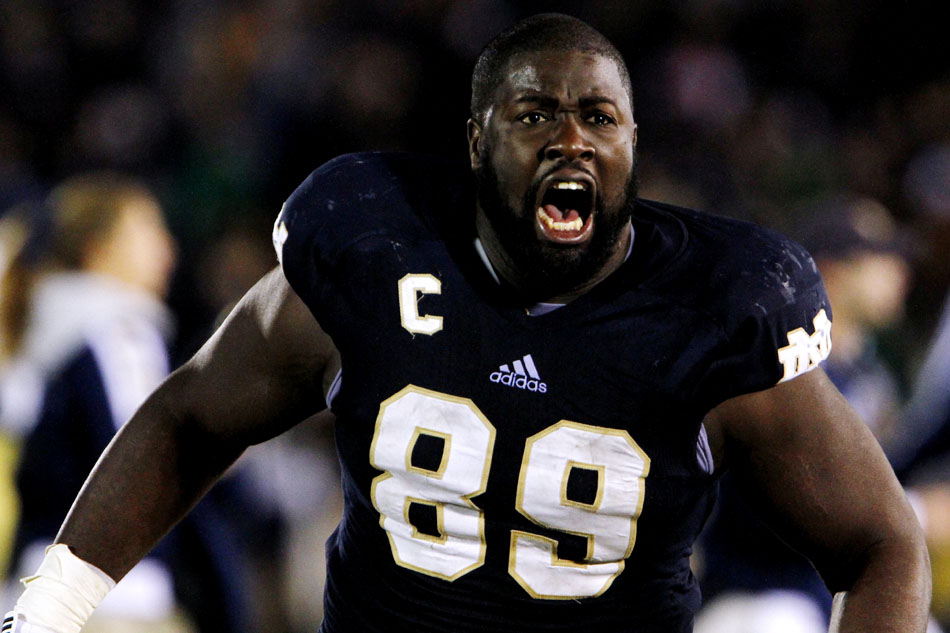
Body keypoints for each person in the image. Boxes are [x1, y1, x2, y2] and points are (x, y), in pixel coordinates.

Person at [2, 13, 930, 633]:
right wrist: (49, 608)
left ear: (632, 146)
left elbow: (880, 540)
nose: (572, 137)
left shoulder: (717, 305)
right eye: (538, 112)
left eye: (600, 115)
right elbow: (189, 418)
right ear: (479, 139)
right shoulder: (373, 246)